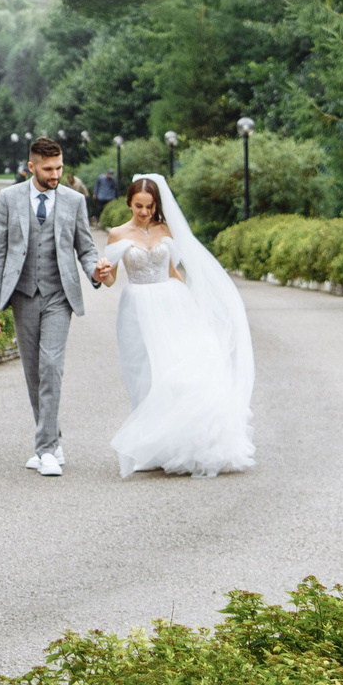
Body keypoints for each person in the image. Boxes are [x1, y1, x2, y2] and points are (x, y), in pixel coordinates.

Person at [102, 175, 256, 477]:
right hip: (136, 307)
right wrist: (101, 273)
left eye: (149, 206)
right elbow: (109, 280)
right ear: (129, 203)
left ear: (156, 204)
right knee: (143, 374)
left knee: (179, 371)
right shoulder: (117, 234)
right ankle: (152, 447)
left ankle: (183, 442)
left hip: (171, 302)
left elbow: (172, 270)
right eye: (138, 206)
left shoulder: (165, 230)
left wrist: (192, 308)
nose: (144, 212)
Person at [0, 135, 115, 477]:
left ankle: (44, 451)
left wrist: (96, 271)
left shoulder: (74, 201)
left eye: (59, 167)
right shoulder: (8, 199)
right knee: (33, 373)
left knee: (51, 366)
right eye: (48, 168)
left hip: (59, 296)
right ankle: (53, 441)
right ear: (31, 167)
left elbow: (85, 248)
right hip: (23, 295)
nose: (55, 174)